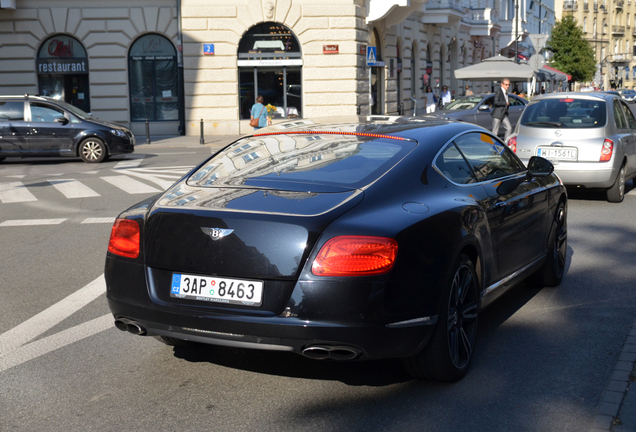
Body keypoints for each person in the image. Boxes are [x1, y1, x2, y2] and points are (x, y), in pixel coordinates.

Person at [491, 78, 513, 144]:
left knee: (509, 128)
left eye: (508, 85)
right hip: (497, 114)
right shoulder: (498, 91)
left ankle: (505, 144)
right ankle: (492, 145)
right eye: (506, 85)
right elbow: (496, 102)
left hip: (503, 114)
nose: (507, 86)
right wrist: (505, 103)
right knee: (495, 132)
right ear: (502, 84)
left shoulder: (506, 92)